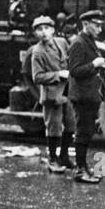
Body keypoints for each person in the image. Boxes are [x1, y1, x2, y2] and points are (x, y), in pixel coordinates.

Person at [29, 15, 75, 175]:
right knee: (54, 127)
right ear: (36, 33)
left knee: (71, 123)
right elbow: (37, 77)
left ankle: (64, 156)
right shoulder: (38, 52)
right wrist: (58, 74)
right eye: (39, 30)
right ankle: (53, 158)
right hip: (52, 94)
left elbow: (70, 59)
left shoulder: (61, 43)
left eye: (46, 28)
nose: (43, 32)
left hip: (67, 91)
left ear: (53, 30)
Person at [67, 9, 105, 184]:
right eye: (96, 25)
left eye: (100, 25)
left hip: (90, 95)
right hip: (82, 95)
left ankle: (83, 167)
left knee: (87, 132)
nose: (99, 29)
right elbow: (75, 71)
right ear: (86, 24)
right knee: (82, 133)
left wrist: (101, 67)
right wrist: (94, 64)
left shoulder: (89, 41)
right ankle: (80, 170)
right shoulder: (78, 43)